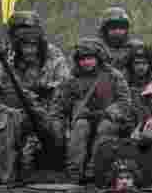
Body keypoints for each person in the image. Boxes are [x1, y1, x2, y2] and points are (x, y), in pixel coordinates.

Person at [0, 10, 71, 174]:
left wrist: (43, 89)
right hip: (14, 108)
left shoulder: (51, 53)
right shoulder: (7, 54)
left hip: (46, 107)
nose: (25, 37)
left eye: (29, 30)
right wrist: (4, 63)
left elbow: (65, 82)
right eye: (19, 32)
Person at [51, 37, 130, 184]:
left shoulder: (113, 76)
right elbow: (59, 106)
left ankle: (94, 169)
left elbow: (124, 102)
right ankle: (74, 172)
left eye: (89, 58)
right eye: (82, 59)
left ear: (98, 58)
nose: (86, 62)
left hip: (109, 119)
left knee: (104, 128)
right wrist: (57, 126)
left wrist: (110, 112)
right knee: (80, 127)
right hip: (83, 118)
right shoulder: (72, 79)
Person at [97, 6, 133, 73]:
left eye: (122, 28)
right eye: (113, 28)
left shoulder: (135, 49)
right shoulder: (95, 50)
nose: (117, 31)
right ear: (104, 30)